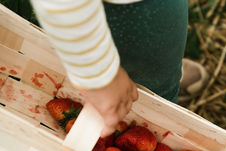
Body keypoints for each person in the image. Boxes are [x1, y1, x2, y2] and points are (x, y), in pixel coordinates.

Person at [30, 0, 209, 137]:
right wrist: (99, 74)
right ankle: (159, 89)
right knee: (156, 99)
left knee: (160, 71)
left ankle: (162, 78)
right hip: (126, 13)